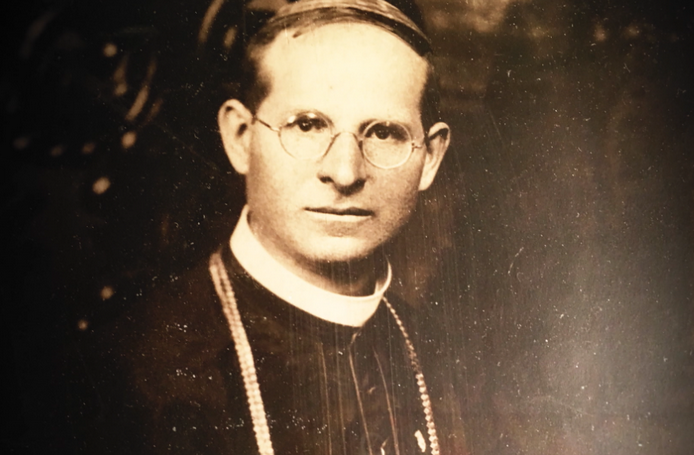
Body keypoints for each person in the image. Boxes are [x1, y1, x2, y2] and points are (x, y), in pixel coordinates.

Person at [69, 1, 451, 454]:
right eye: (307, 125)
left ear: (430, 157)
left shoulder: (454, 354)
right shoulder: (128, 370)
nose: (345, 172)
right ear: (241, 138)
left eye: (384, 132)